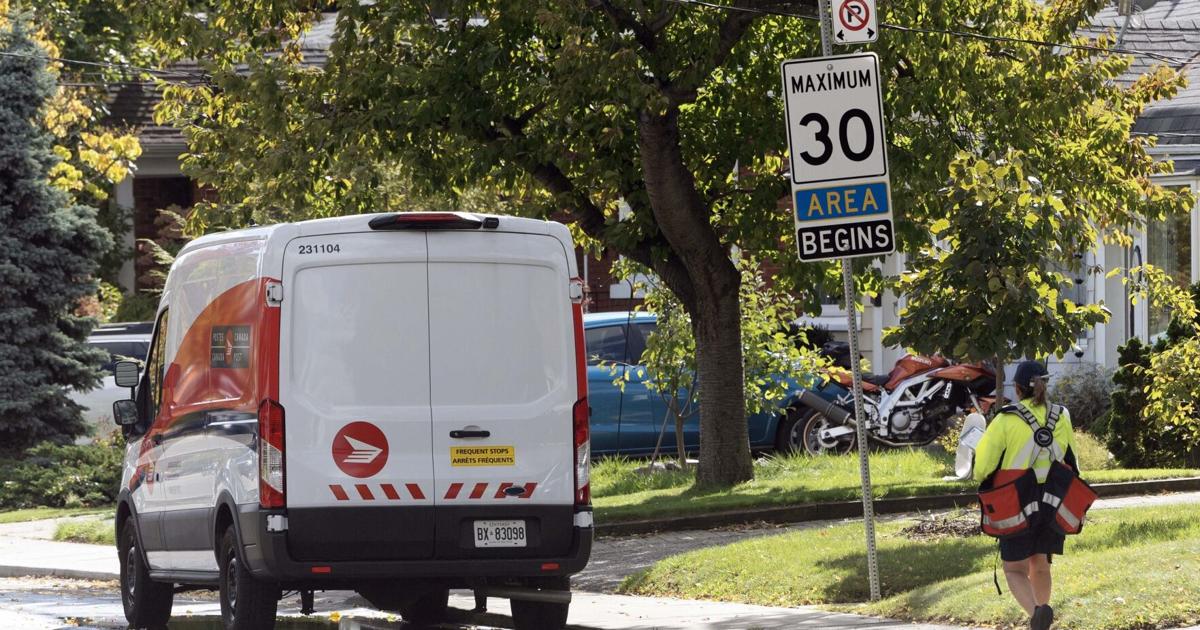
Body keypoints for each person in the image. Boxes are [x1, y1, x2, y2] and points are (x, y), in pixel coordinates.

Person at [973, 360, 1079, 630]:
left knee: (1014, 569)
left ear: (1018, 389)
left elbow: (983, 466)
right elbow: (1072, 459)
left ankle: (1036, 613)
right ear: (1045, 384)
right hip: (1052, 500)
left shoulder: (1006, 419)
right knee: (1040, 564)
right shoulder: (1062, 415)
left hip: (1016, 500)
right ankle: (1042, 619)